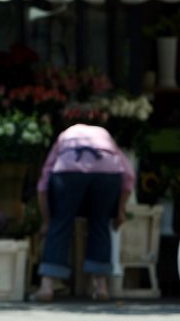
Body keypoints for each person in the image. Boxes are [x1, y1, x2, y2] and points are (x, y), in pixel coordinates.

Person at [31, 123, 134, 302]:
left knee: (60, 223)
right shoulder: (104, 134)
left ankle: (46, 287)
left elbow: (43, 184)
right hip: (107, 173)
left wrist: (47, 220)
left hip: (68, 172)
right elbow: (129, 175)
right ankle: (100, 286)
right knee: (100, 224)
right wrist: (120, 211)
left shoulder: (65, 135)